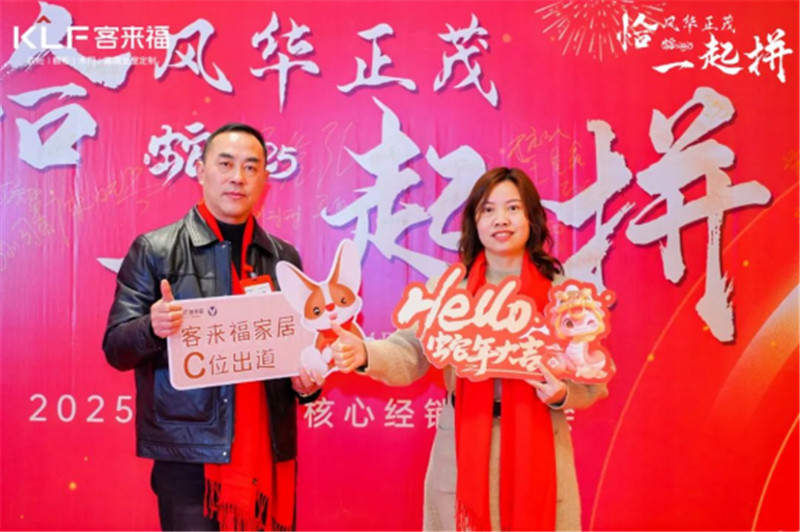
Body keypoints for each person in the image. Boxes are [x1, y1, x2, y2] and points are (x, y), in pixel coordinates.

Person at [330, 167, 609, 531]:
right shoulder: (451, 288)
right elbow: (410, 351)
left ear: (531, 217)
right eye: (488, 210)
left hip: (541, 442)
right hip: (462, 444)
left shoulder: (562, 293)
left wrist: (562, 394)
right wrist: (366, 353)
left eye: (512, 208)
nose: (500, 219)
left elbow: (590, 376)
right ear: (474, 222)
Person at [102, 123, 324, 531]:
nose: (238, 177)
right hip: (190, 457)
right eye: (225, 164)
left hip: (267, 455)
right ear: (201, 171)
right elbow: (116, 347)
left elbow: (295, 350)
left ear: (264, 179)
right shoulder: (155, 249)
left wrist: (306, 383)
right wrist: (151, 327)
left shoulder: (283, 258)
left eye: (250, 167)